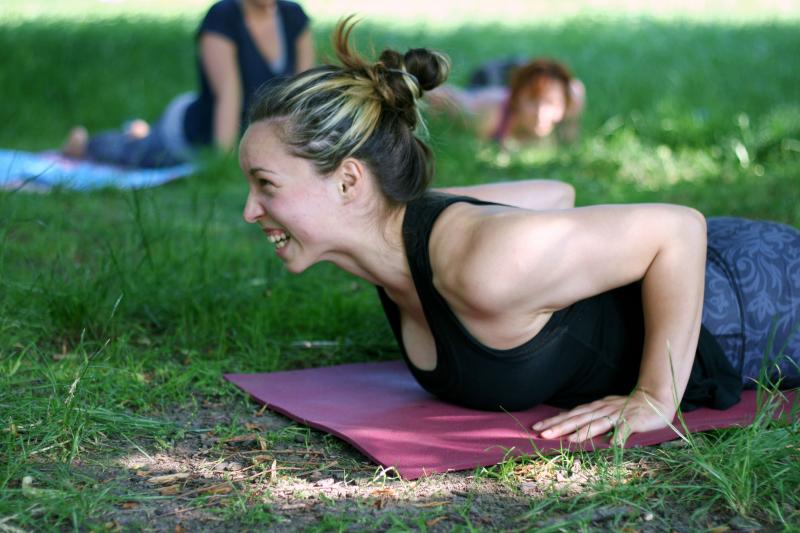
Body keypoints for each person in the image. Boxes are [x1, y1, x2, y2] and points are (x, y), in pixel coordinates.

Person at [238, 19, 800, 444]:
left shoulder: (481, 263)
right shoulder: (406, 238)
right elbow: (556, 195)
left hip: (749, 306)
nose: (249, 210)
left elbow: (678, 228)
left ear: (348, 181)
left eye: (266, 184)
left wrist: (656, 394)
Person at [62, 0, 314, 168]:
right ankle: (84, 143)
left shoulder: (293, 17)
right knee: (135, 156)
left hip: (251, 136)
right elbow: (229, 97)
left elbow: (302, 95)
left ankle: (140, 129)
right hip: (189, 133)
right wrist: (225, 164)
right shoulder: (222, 18)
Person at [427, 58, 585, 147]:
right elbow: (445, 97)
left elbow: (577, 89)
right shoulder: (489, 115)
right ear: (516, 99)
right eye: (532, 101)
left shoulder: (571, 103)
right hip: (489, 78)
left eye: (551, 103)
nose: (540, 114)